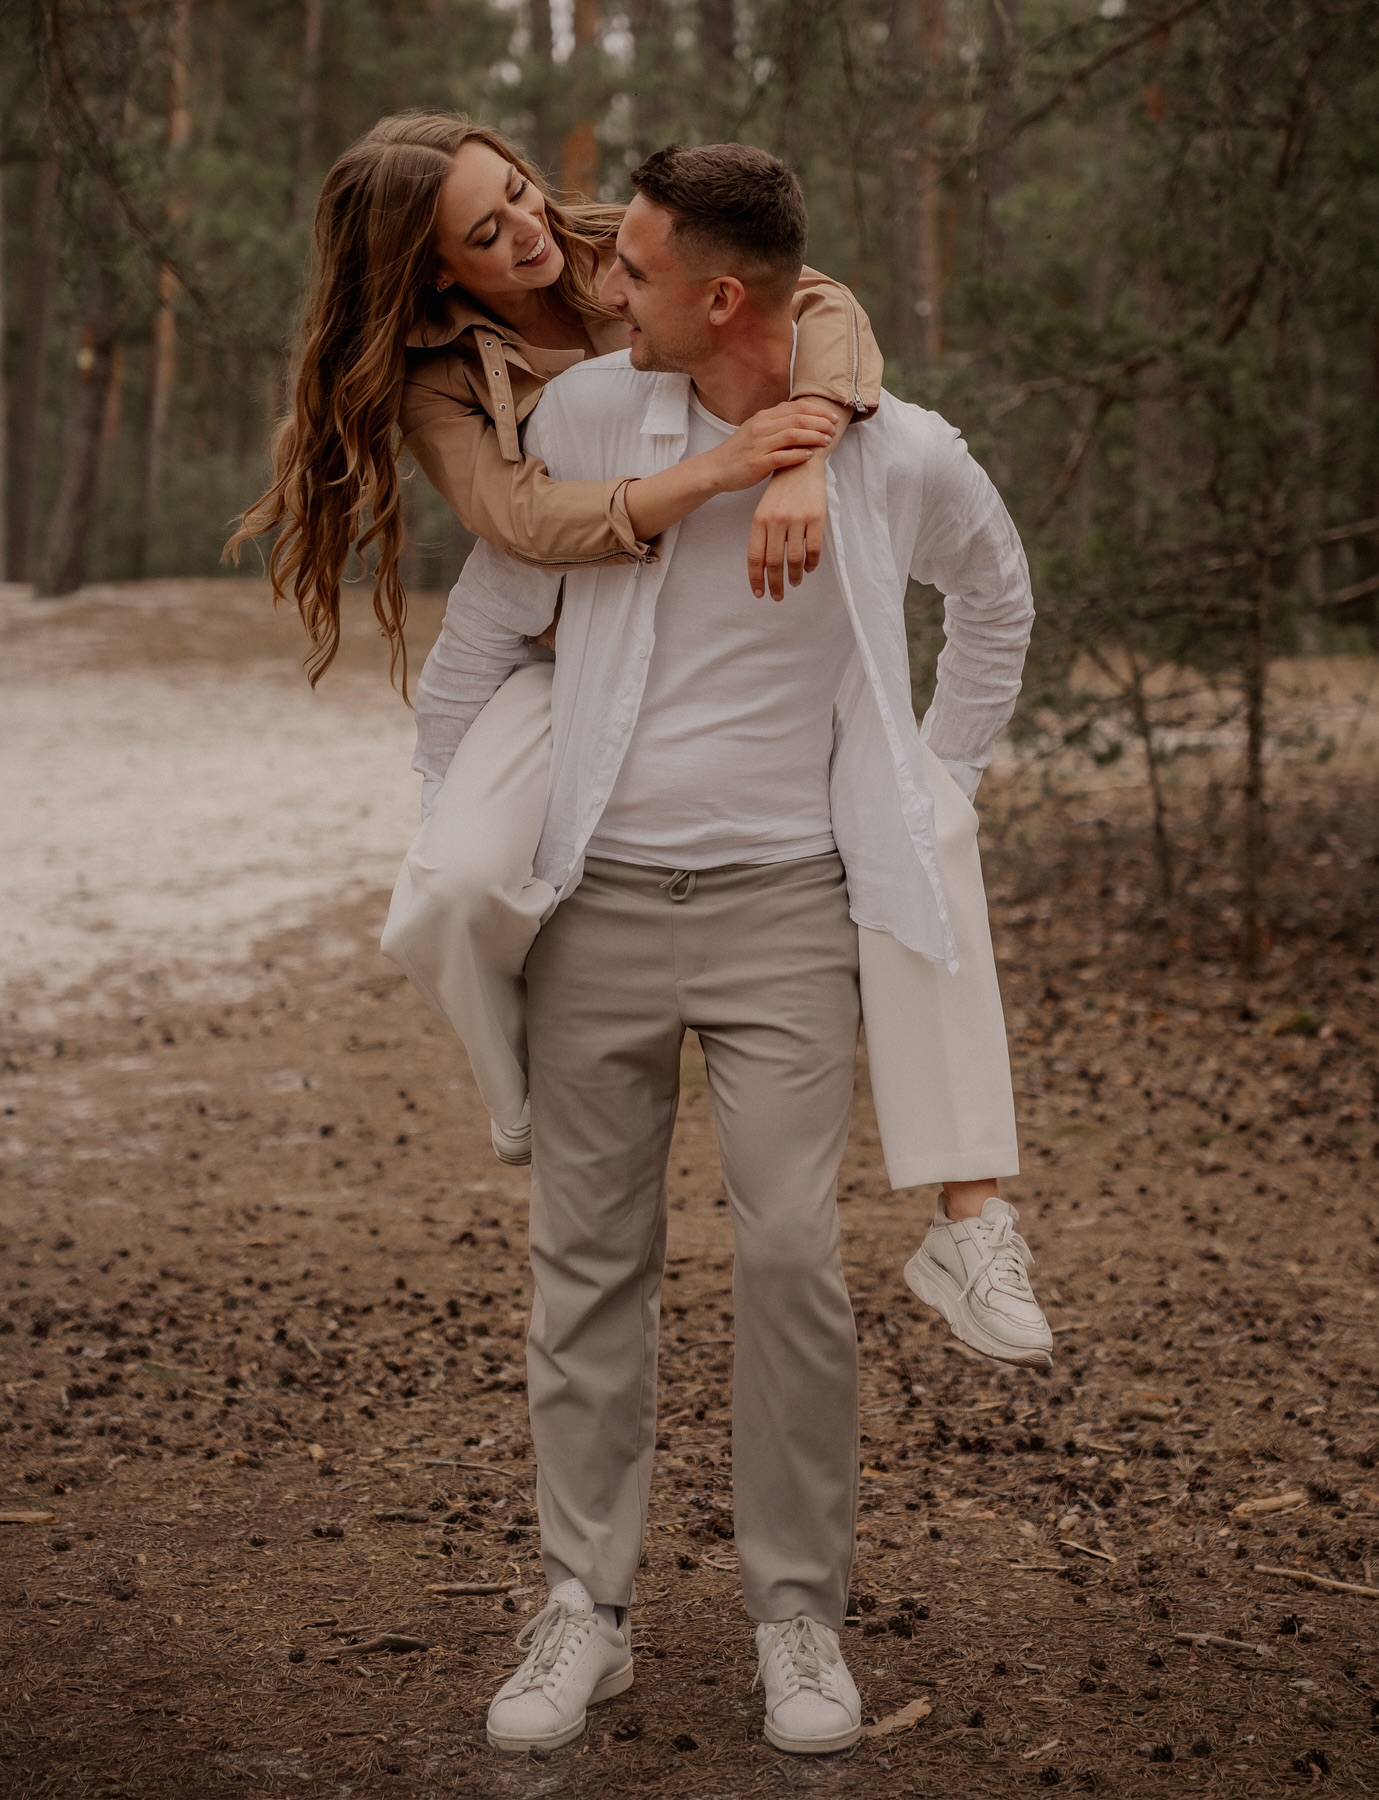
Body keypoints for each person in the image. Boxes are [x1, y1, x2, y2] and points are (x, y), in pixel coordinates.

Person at [230, 111, 1054, 1375]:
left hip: (744, 676)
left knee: (928, 818)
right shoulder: (442, 376)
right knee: (445, 888)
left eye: (517, 193)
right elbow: (520, 526)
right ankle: (519, 1096)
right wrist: (727, 473)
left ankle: (970, 1211)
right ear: (430, 268)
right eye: (487, 232)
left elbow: (813, 299)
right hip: (573, 657)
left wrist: (801, 458)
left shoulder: (624, 240)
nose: (539, 242)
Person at [409, 142, 1041, 1757]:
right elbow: (484, 627)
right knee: (588, 1272)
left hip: (782, 916)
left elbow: (997, 598)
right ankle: (584, 1611)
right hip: (600, 906)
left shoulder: (897, 455)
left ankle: (798, 1620)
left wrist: (934, 784)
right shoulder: (589, 414)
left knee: (788, 1260)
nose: (593, 288)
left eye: (632, 270)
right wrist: (456, 831)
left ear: (724, 296)